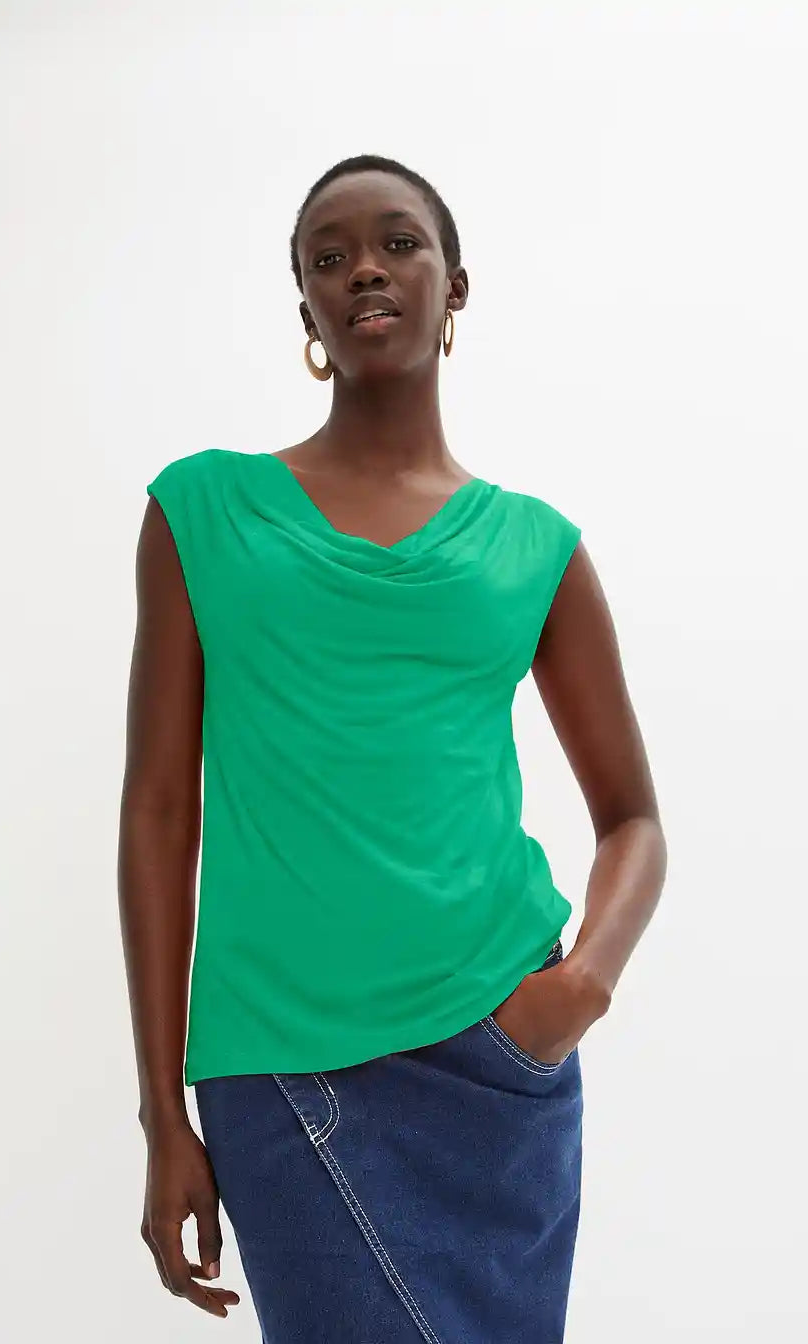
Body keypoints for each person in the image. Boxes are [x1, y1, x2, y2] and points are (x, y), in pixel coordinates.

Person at [118, 153, 666, 1342]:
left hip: (498, 1057)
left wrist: (580, 985)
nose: (365, 268)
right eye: (330, 257)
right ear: (306, 309)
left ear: (454, 287)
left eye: (399, 243)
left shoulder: (535, 545)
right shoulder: (203, 512)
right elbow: (159, 811)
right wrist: (163, 1113)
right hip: (281, 1068)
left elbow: (633, 817)